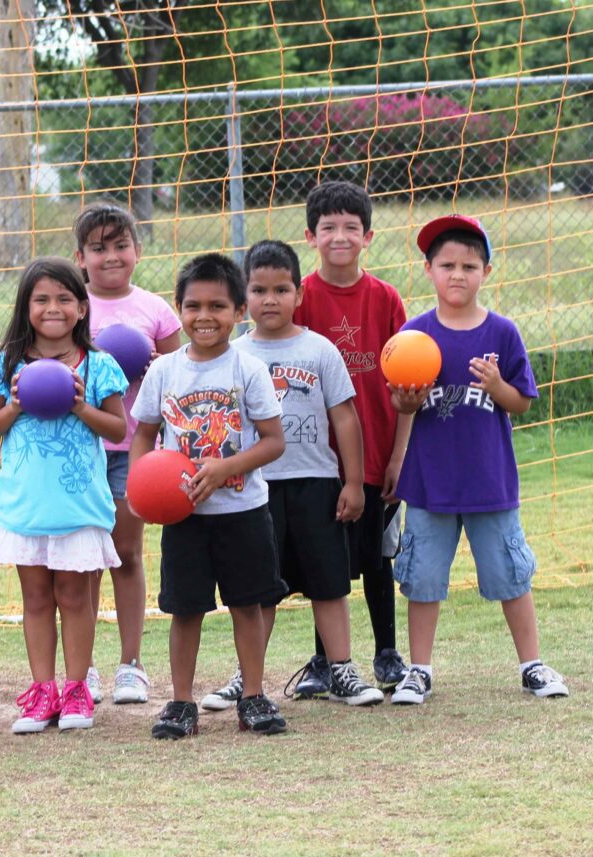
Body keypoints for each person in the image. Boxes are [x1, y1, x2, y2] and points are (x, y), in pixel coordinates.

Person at [388, 214, 568, 705]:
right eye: (446, 264)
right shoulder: (414, 335)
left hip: (490, 481)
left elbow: (522, 403)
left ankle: (532, 664)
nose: (457, 274)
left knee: (510, 573)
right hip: (429, 483)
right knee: (423, 577)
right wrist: (404, 410)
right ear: (428, 269)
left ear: (487, 271)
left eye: (469, 265)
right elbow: (402, 406)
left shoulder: (503, 333)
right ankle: (419, 670)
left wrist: (496, 386)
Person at [210, 240, 384, 710]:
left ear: (299, 293)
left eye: (282, 289)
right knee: (259, 589)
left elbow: (345, 417)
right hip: (255, 491)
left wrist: (352, 481)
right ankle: (247, 679)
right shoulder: (234, 355)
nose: (271, 300)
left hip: (316, 483)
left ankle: (342, 669)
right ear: (244, 297)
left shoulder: (319, 349)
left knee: (329, 583)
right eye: (260, 290)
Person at [130, 254, 288, 739]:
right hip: (185, 517)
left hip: (242, 511)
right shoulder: (164, 372)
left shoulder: (249, 368)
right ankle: (180, 703)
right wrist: (144, 481)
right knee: (186, 608)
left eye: (218, 305)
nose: (204, 316)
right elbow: (144, 434)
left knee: (248, 605)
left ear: (239, 310)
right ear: (177, 307)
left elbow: (273, 440)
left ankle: (255, 696)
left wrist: (225, 469)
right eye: (193, 305)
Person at [0, 257, 128, 733]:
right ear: (26, 308)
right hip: (26, 505)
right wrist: (17, 404)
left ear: (82, 308)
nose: (53, 308)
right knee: (37, 599)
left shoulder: (99, 364)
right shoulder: (6, 363)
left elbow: (118, 427)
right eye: (41, 299)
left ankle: (77, 690)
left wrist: (79, 404)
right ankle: (42, 693)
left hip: (78, 505)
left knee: (75, 597)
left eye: (65, 298)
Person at [291, 180, 411, 695]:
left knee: (376, 558)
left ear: (368, 237)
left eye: (351, 228)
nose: (339, 237)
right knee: (326, 563)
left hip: (378, 455)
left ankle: (387, 652)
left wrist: (399, 456)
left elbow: (409, 386)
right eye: (328, 228)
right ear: (310, 236)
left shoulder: (385, 300)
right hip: (319, 462)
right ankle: (325, 662)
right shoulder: (299, 299)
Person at [73, 201, 181, 705]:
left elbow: (188, 370)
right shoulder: (71, 306)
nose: (111, 256)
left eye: (120, 246)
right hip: (81, 448)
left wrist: (159, 364)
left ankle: (132, 663)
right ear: (80, 257)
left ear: (137, 250)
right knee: (85, 559)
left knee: (127, 553)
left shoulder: (155, 308)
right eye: (99, 248)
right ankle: (84, 665)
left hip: (136, 446)